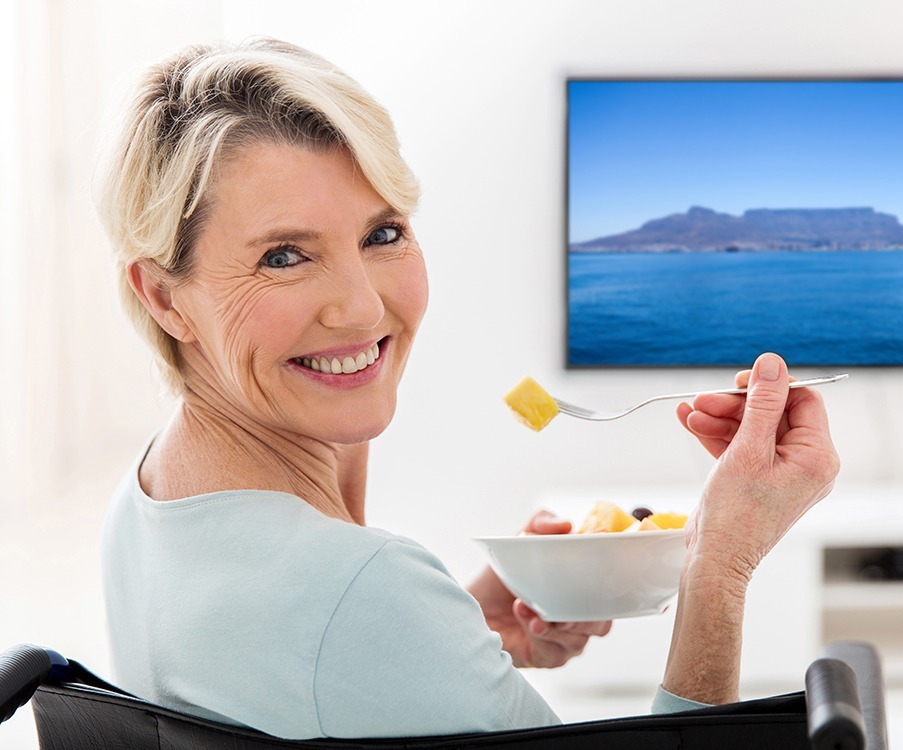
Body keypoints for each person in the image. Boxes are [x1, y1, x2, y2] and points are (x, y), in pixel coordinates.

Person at [98, 37, 840, 741]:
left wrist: (457, 635)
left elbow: (307, 662)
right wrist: (720, 564)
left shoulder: (148, 499)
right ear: (164, 297)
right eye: (284, 256)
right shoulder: (361, 590)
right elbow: (341, 611)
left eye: (383, 234)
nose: (362, 308)